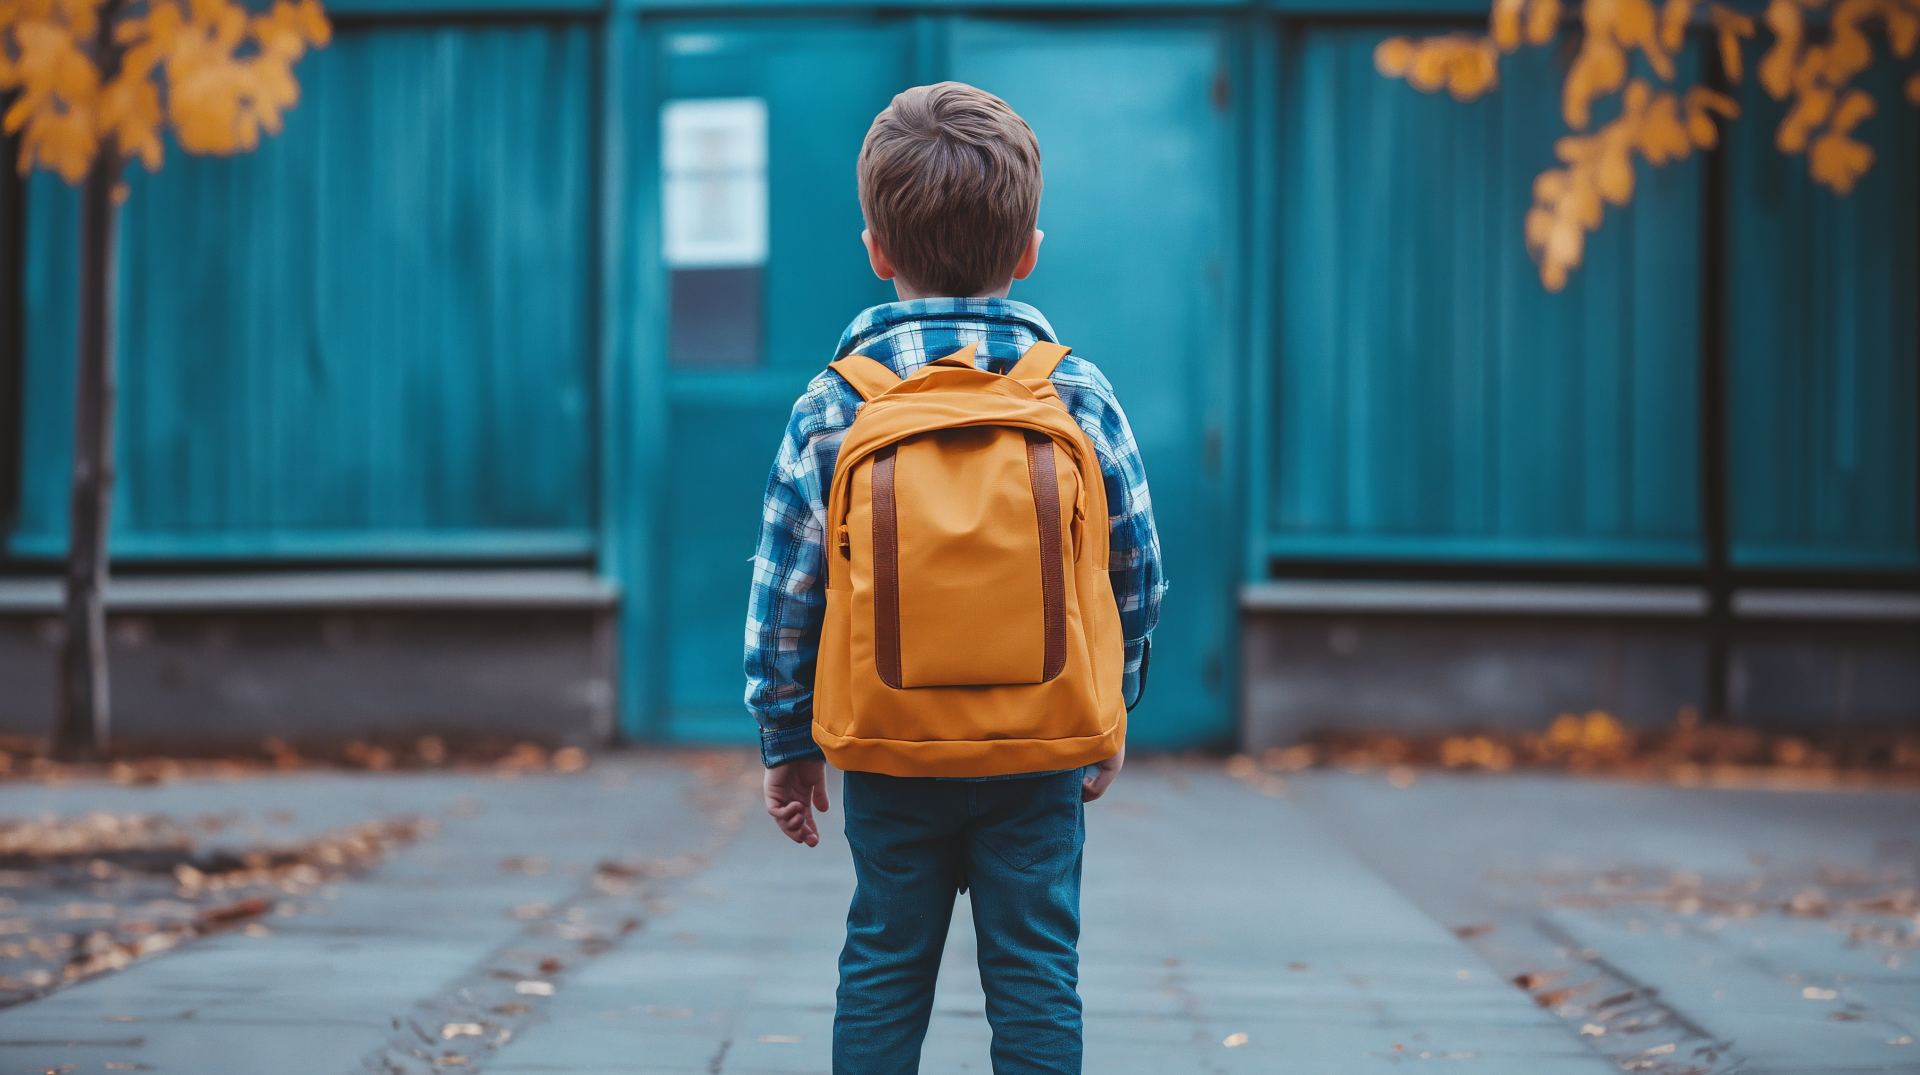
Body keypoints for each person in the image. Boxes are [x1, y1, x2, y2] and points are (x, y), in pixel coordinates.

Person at [743, 81, 1165, 1075]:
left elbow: (786, 599)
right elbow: (1135, 573)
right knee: (1035, 969)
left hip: (892, 748)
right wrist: (1111, 704)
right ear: (1027, 254)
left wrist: (787, 739)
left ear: (876, 251)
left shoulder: (830, 405)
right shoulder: (1078, 393)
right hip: (1038, 742)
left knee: (885, 958)